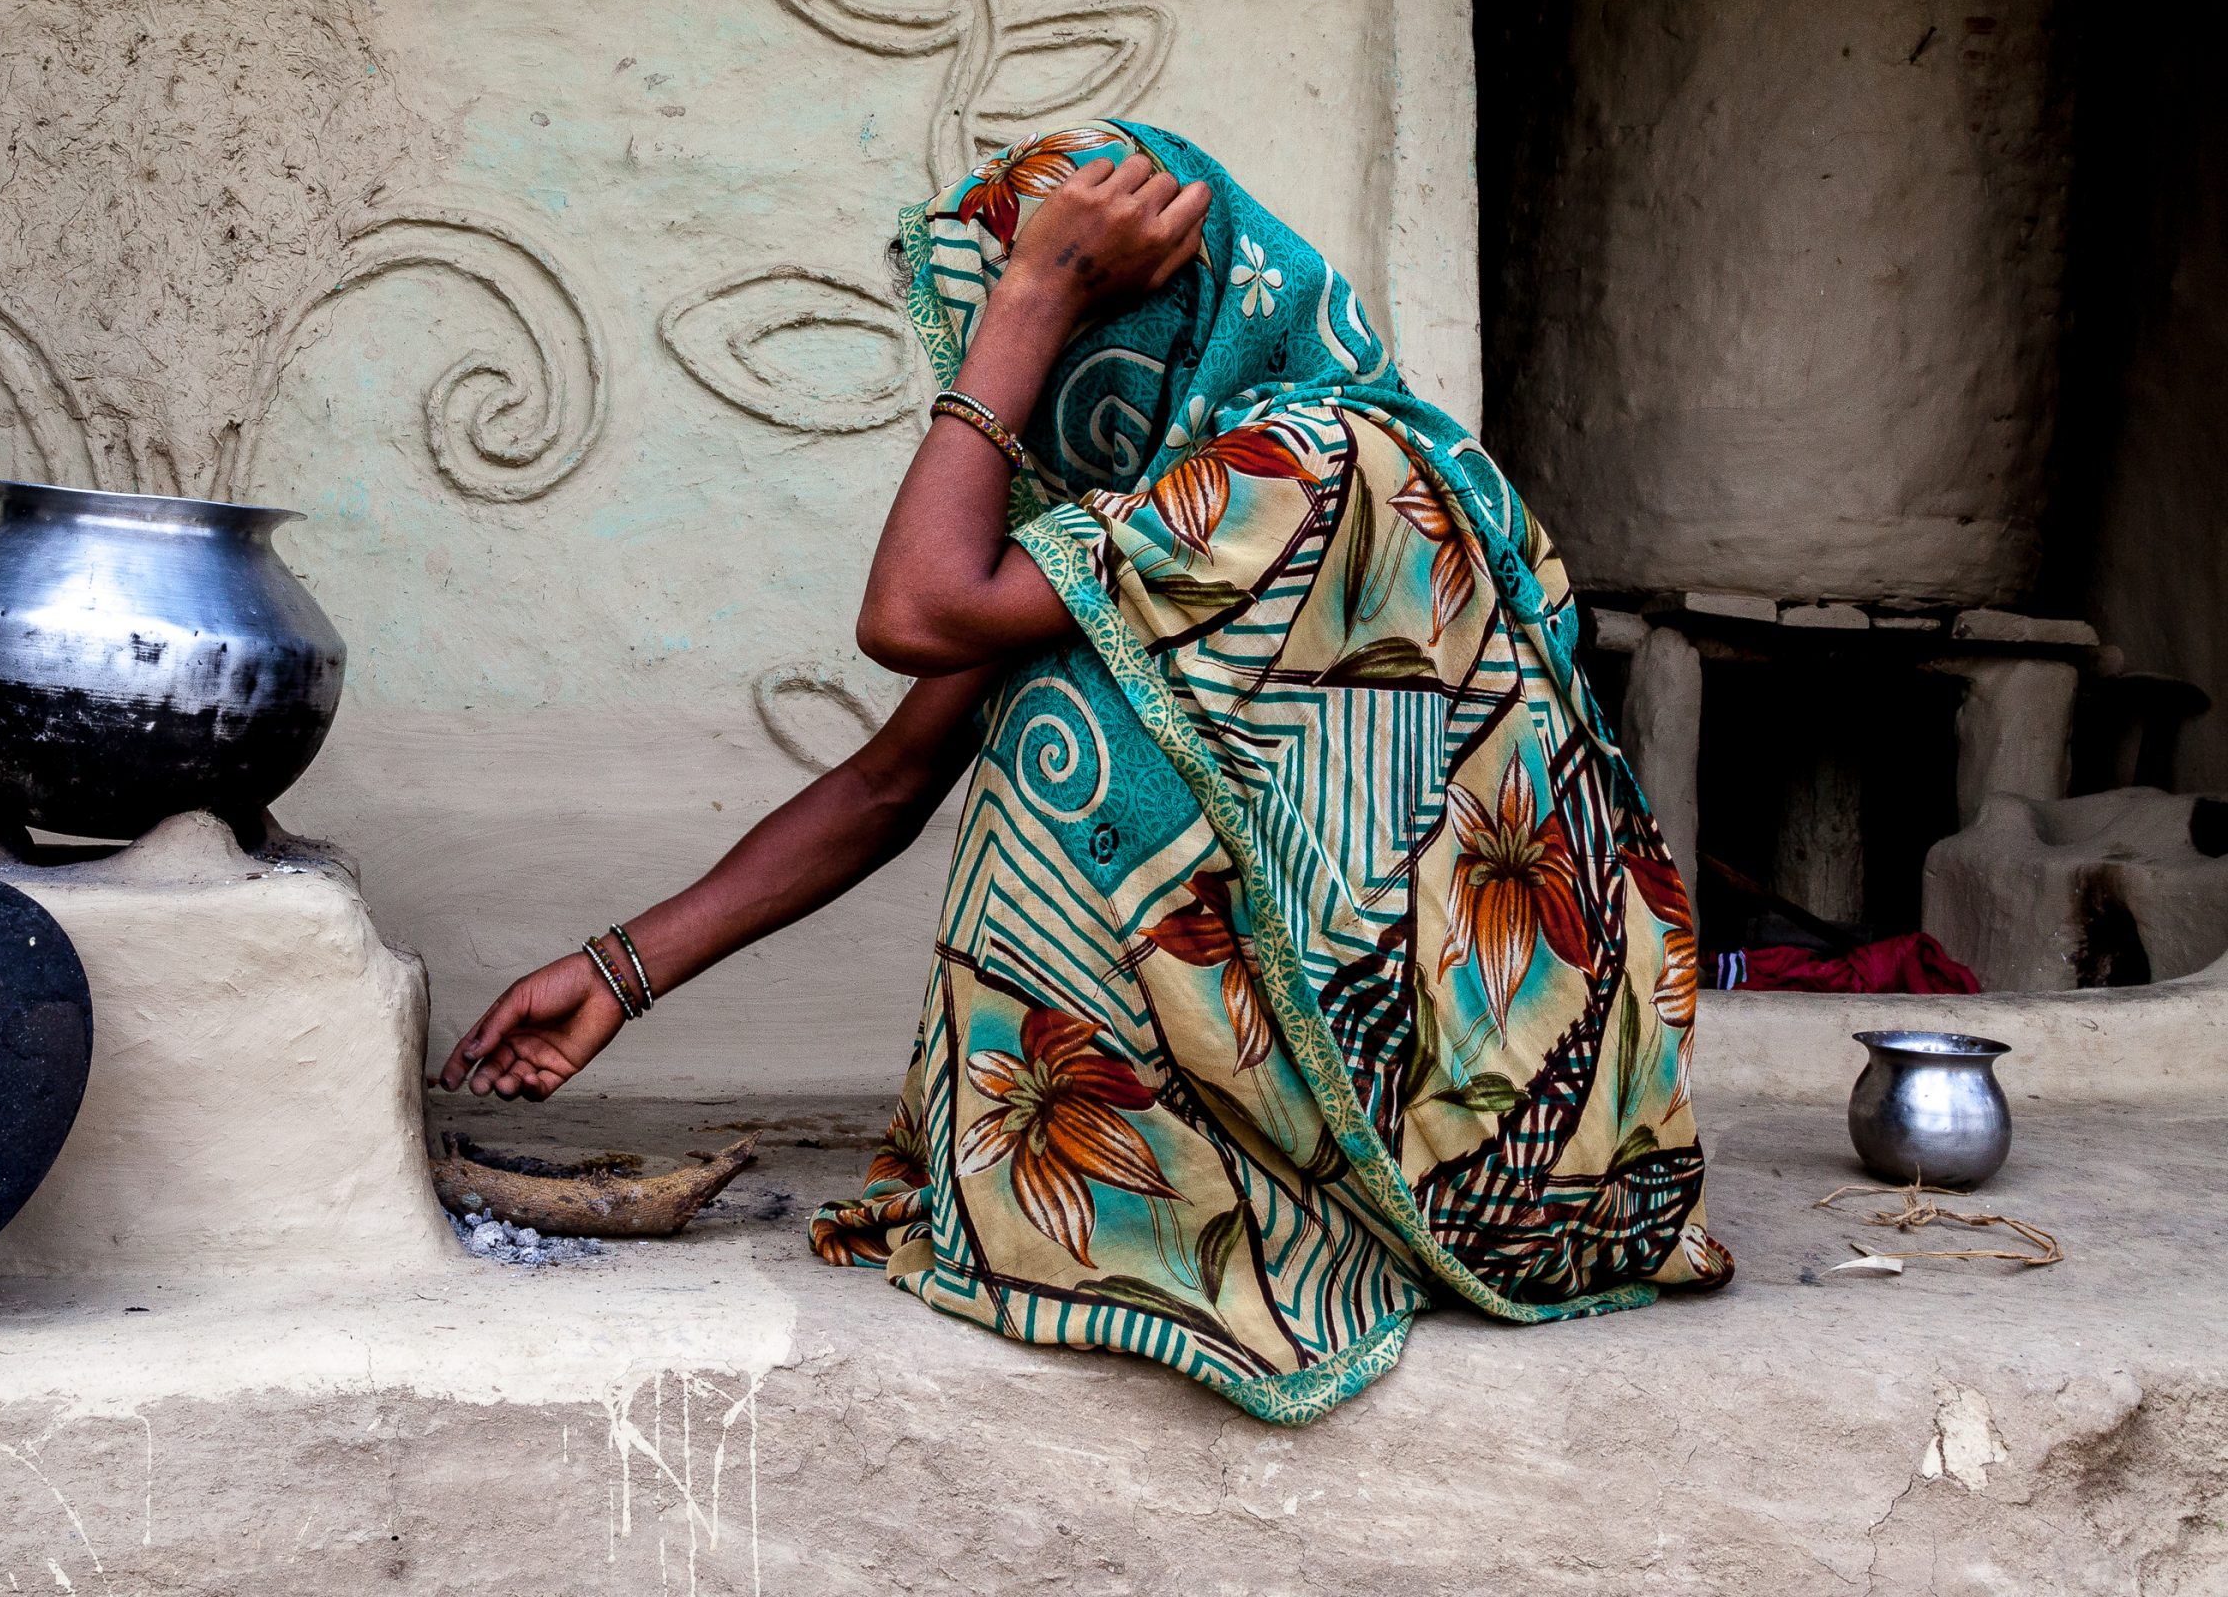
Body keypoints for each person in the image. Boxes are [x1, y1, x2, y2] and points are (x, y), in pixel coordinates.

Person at [437, 122, 1731, 1421]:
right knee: (1055, 671)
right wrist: (619, 970)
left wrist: (1031, 294)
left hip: (1497, 1159)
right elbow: (892, 777)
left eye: (1058, 326)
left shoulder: (1316, 465)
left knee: (1067, 706)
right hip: (1431, 1114)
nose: (1031, 373)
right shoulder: (1160, 511)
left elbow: (913, 610)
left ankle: (1143, 1182)